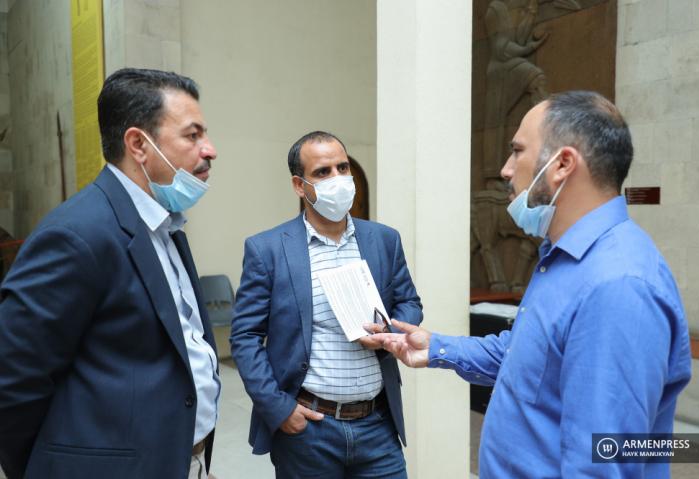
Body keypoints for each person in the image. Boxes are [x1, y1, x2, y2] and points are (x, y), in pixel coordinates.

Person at [370, 91, 692, 478]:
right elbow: (525, 356)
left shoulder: (620, 286)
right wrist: (436, 347)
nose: (506, 170)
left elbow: (601, 465)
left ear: (562, 164)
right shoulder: (562, 258)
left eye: (517, 151)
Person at [0, 68, 220, 479]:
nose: (210, 150)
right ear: (138, 144)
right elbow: (14, 379)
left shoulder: (166, 224)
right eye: (193, 135)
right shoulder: (76, 235)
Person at [231, 131, 423, 478]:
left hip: (378, 425)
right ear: (299, 185)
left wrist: (389, 330)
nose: (338, 178)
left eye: (342, 167)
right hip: (309, 430)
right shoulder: (267, 250)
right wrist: (279, 408)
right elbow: (245, 337)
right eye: (322, 172)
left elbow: (409, 302)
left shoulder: (383, 240)